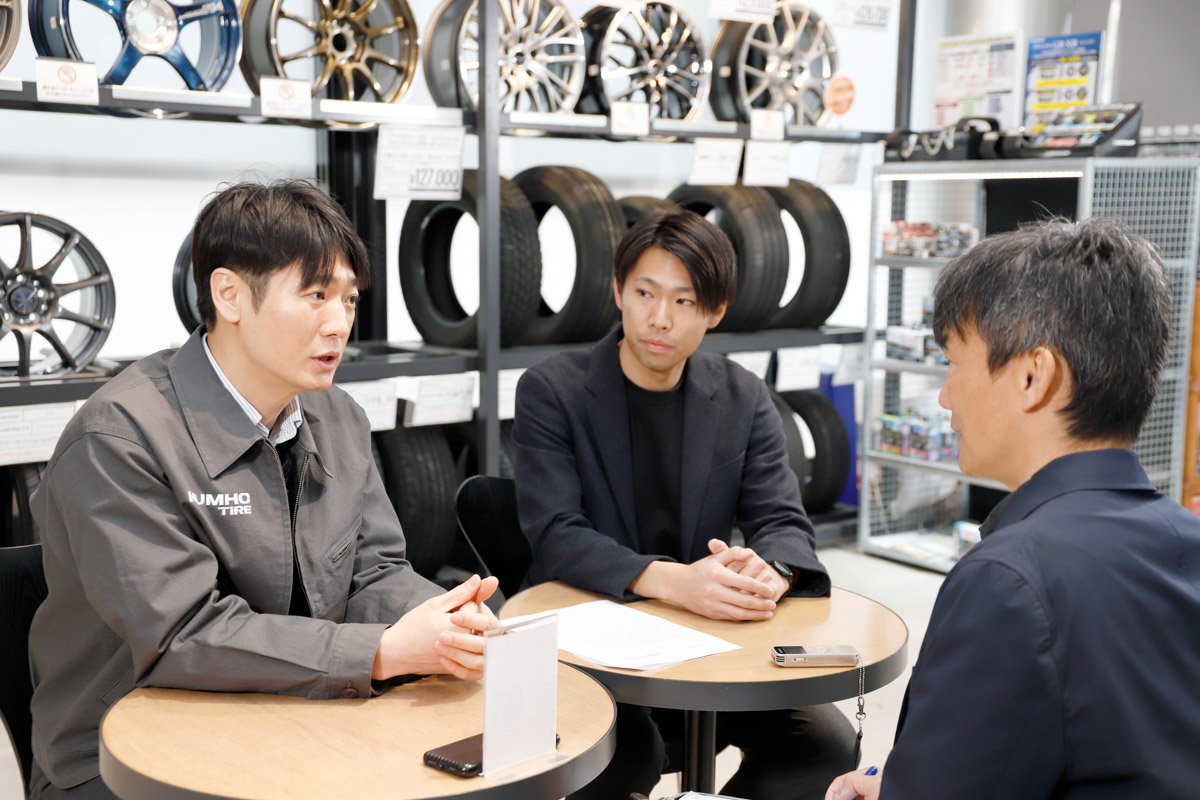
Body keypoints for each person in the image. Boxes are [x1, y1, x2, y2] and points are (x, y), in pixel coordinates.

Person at [26, 180, 499, 799]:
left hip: (290, 715)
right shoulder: (119, 439)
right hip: (124, 756)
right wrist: (380, 652)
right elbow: (180, 636)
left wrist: (445, 621)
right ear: (229, 295)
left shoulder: (339, 418)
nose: (339, 324)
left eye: (349, 299)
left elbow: (374, 570)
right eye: (315, 295)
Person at [826, 218, 1200, 800]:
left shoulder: (1010, 581)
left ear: (1032, 376)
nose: (945, 396)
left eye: (954, 363)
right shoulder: (1185, 541)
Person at [513, 209, 857, 800]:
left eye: (684, 301)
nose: (659, 318)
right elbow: (557, 533)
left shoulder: (743, 396)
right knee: (624, 759)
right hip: (587, 646)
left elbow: (781, 520)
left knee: (824, 745)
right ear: (618, 291)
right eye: (645, 293)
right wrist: (677, 583)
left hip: (706, 644)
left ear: (715, 312)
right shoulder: (552, 389)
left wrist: (770, 572)